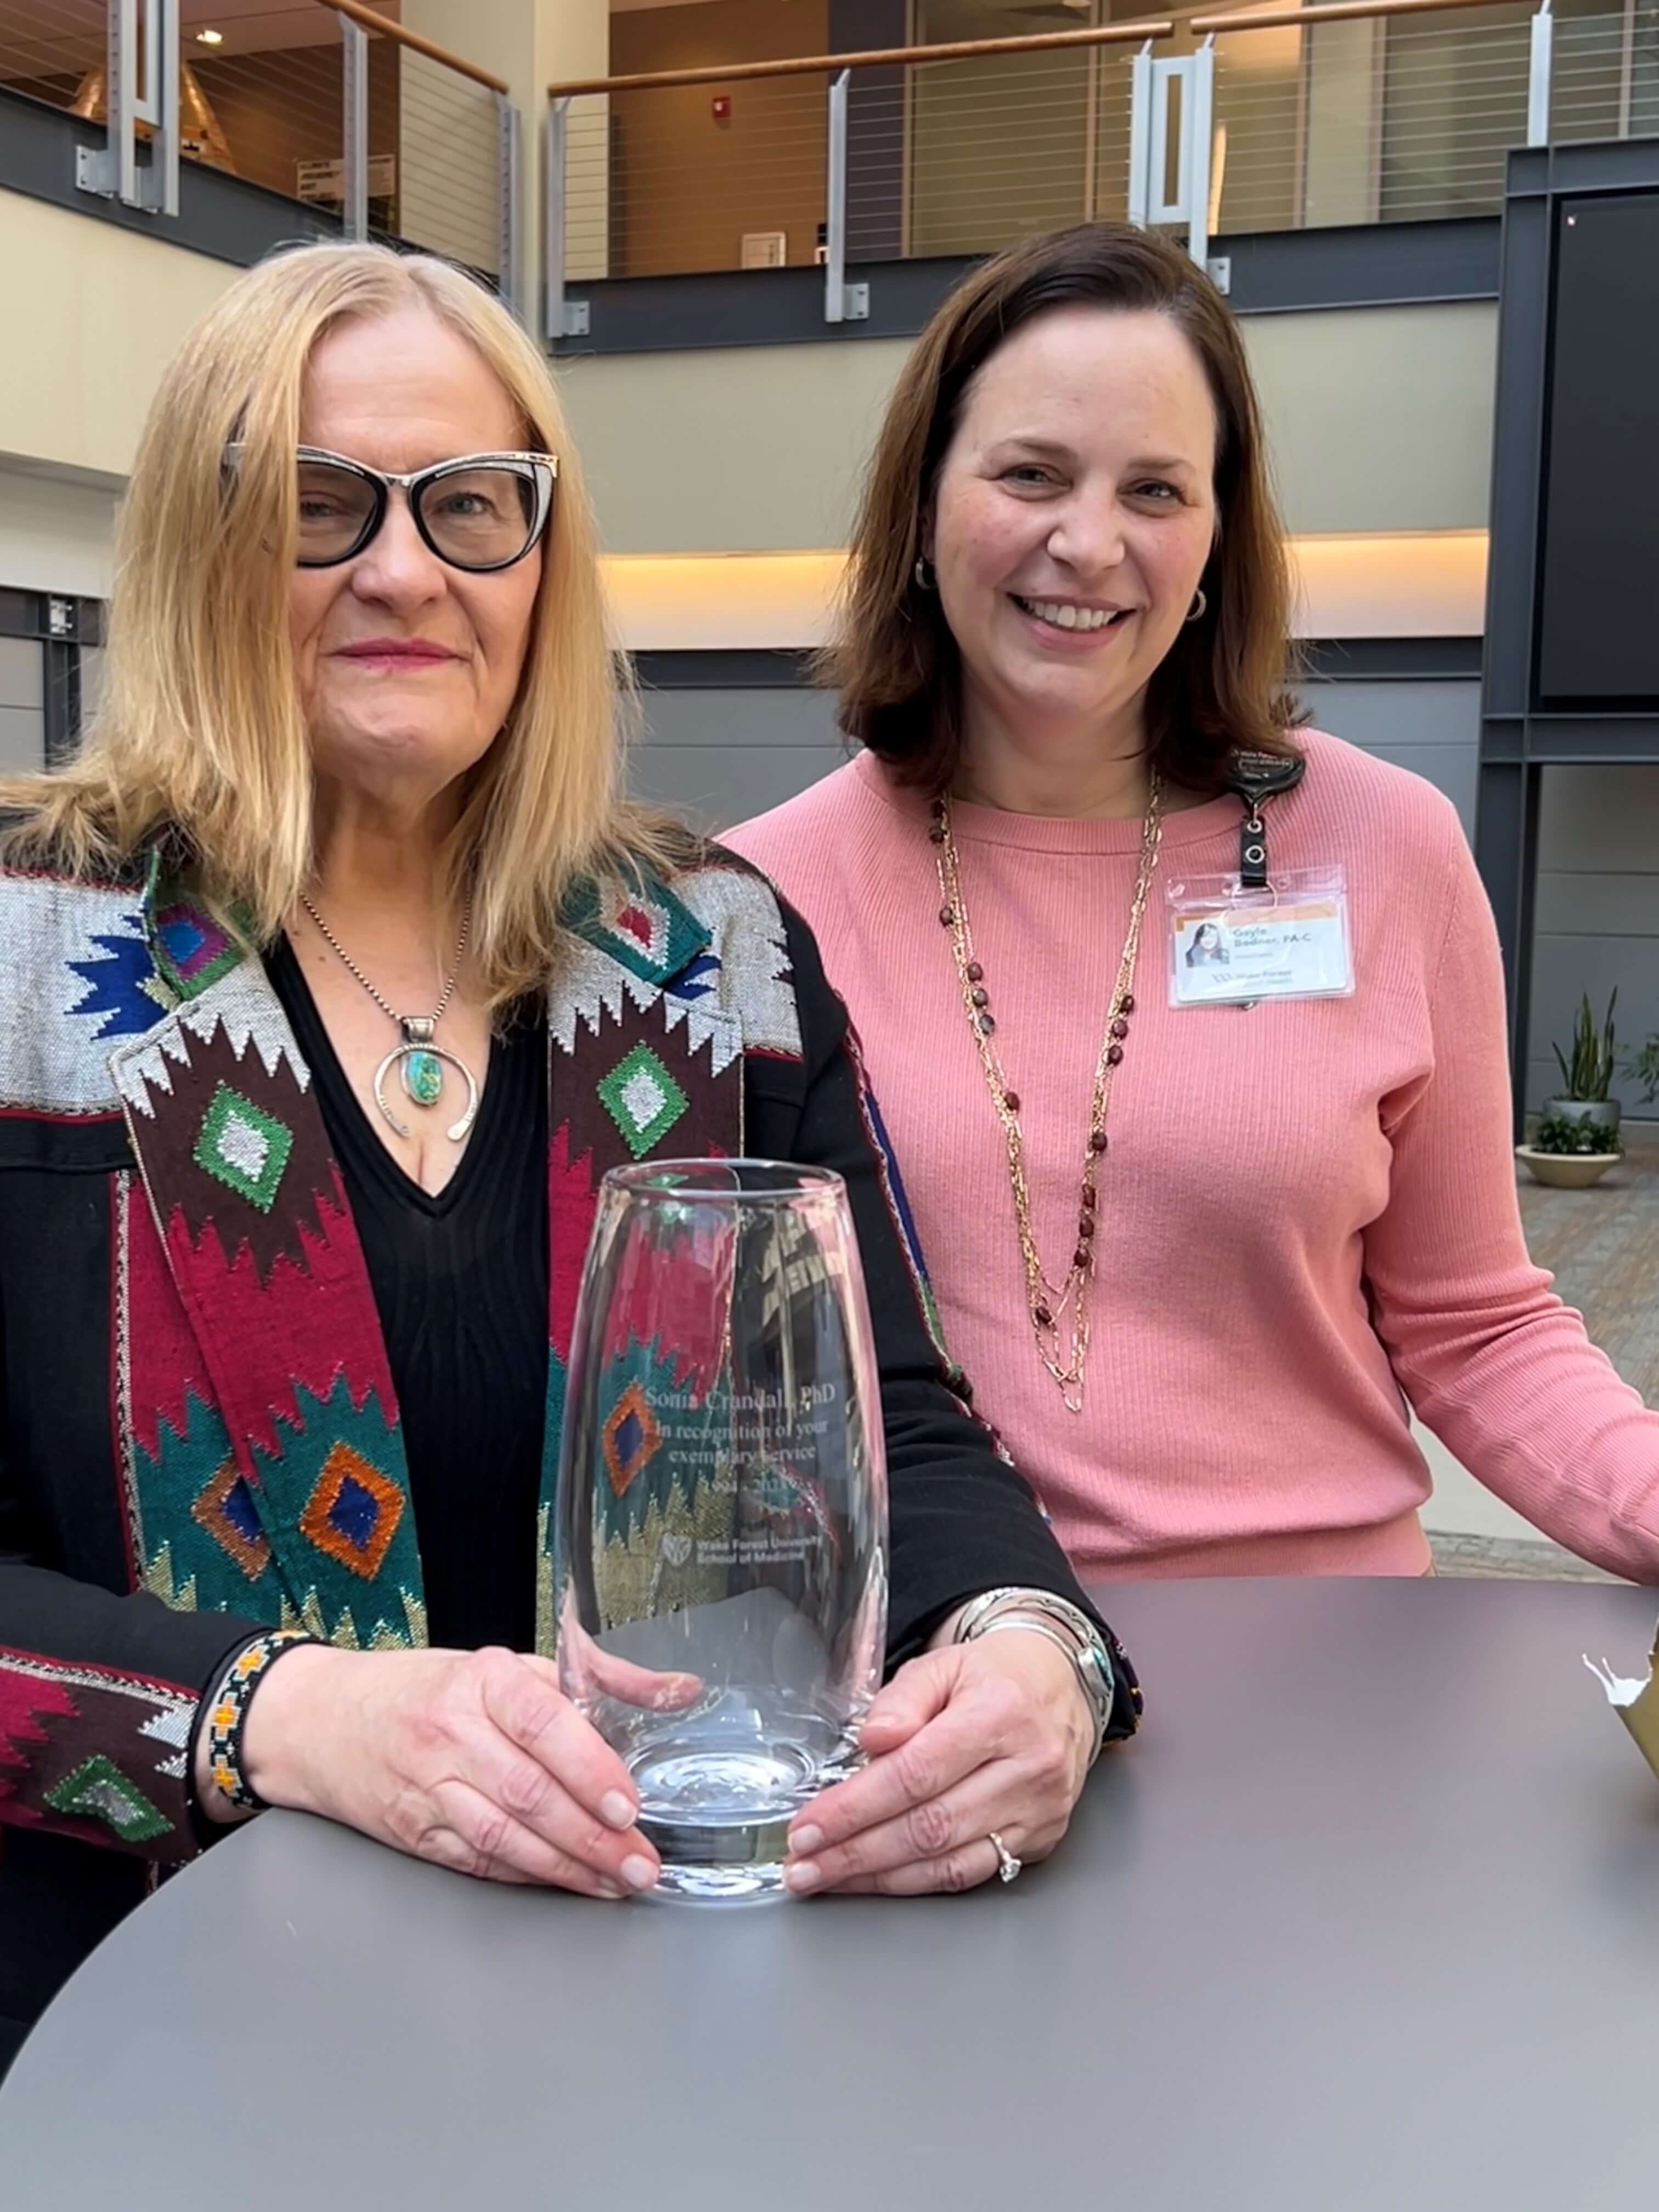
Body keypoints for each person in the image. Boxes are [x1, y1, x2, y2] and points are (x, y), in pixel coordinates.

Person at [0, 244, 1139, 2068]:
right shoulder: (25, 955)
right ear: (201, 546)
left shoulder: (708, 949)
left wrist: (1029, 1652)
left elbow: (896, 1411)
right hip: (145, 2037)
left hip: (658, 2004)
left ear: (543, 561)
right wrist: (276, 1716)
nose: (402, 569)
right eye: (316, 505)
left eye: (472, 506)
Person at [726, 222, 1659, 1586]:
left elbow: (1477, 1324)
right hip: (946, 1669)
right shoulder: (758, 904)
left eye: (1157, 491)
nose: (1088, 542)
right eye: (1031, 474)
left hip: (1335, 1664)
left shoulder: (1388, 846)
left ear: (1219, 536)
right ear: (924, 510)